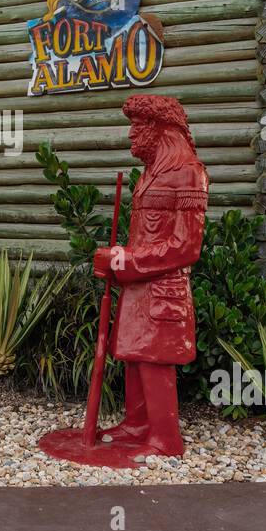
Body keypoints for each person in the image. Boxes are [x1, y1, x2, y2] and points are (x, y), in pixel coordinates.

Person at [90, 94, 209, 459]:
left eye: (139, 127)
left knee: (154, 360)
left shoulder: (188, 172)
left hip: (162, 288)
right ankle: (139, 423)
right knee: (133, 353)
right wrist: (116, 260)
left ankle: (165, 438)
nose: (131, 135)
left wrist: (125, 260)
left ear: (161, 130)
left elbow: (186, 247)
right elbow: (147, 237)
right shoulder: (150, 174)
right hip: (139, 287)